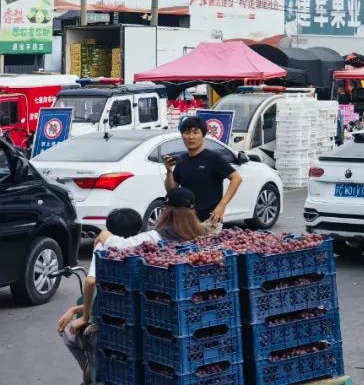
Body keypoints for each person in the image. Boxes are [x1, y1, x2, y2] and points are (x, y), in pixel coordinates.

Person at [57, 207, 144, 383]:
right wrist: (76, 308)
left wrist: (84, 316)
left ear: (109, 230)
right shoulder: (144, 245)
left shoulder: (106, 246)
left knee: (68, 333)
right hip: (140, 312)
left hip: (115, 318)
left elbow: (90, 282)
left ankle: (90, 372)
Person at [165, 116, 242, 225]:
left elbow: (236, 178)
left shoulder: (213, 158)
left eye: (196, 133)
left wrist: (222, 205)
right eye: (187, 133)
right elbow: (171, 190)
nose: (191, 137)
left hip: (209, 221)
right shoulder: (182, 160)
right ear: (182, 136)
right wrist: (169, 171)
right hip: (186, 220)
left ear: (203, 136)